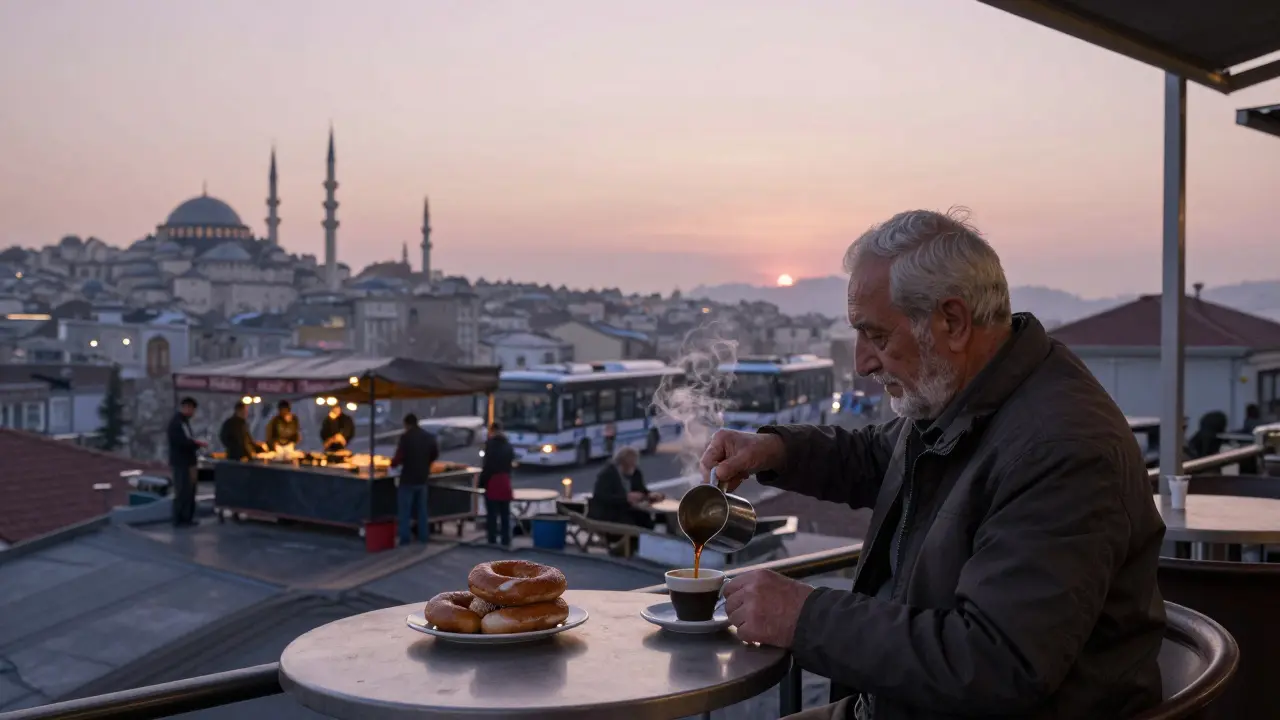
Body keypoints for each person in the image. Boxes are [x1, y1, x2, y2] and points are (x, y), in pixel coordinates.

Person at [702, 209, 1166, 720]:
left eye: (877, 336)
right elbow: (885, 455)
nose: (862, 363)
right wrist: (777, 451)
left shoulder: (1060, 449)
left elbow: (994, 664)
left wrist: (804, 616)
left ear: (952, 321)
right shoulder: (972, 395)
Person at [390, 413, 438, 545]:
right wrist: (426, 463)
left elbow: (398, 457)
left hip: (408, 479)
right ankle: (423, 537)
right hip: (423, 478)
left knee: (404, 511)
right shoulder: (428, 437)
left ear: (407, 424)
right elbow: (435, 454)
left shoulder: (406, 437)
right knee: (422, 511)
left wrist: (393, 464)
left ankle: (405, 539)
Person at [589, 446, 664, 529]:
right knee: (630, 524)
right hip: (612, 513)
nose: (634, 468)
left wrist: (650, 495)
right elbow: (601, 496)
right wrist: (625, 498)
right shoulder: (607, 474)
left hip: (631, 510)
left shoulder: (636, 473)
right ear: (623, 463)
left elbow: (641, 489)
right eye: (631, 465)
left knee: (647, 520)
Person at [166, 397, 207, 527]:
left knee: (189, 491)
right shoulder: (177, 423)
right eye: (192, 409)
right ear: (186, 407)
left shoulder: (184, 422)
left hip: (188, 461)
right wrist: (196, 444)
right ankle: (180, 519)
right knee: (182, 490)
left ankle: (187, 517)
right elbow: (181, 442)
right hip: (181, 462)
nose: (193, 412)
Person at [478, 422, 515, 546]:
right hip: (505, 481)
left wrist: (481, 483)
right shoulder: (508, 445)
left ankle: (492, 539)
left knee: (492, 515)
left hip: (493, 482)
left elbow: (487, 466)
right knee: (505, 514)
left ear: (492, 431)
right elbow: (510, 465)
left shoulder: (490, 445)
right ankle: (506, 540)